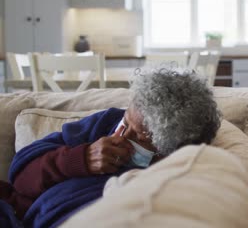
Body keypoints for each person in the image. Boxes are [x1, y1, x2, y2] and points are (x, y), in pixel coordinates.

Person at [0, 67, 221, 228]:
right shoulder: (106, 122)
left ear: (167, 152)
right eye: (125, 121)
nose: (119, 135)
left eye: (138, 135)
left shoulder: (155, 186)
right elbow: (20, 177)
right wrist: (81, 158)